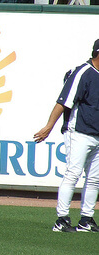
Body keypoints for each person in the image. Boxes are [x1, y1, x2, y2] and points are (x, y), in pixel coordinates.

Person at [34, 39, 99, 233]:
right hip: (78, 132)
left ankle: (86, 219)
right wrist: (48, 127)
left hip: (97, 134)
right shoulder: (83, 73)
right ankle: (61, 219)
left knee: (95, 178)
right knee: (73, 173)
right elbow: (63, 102)